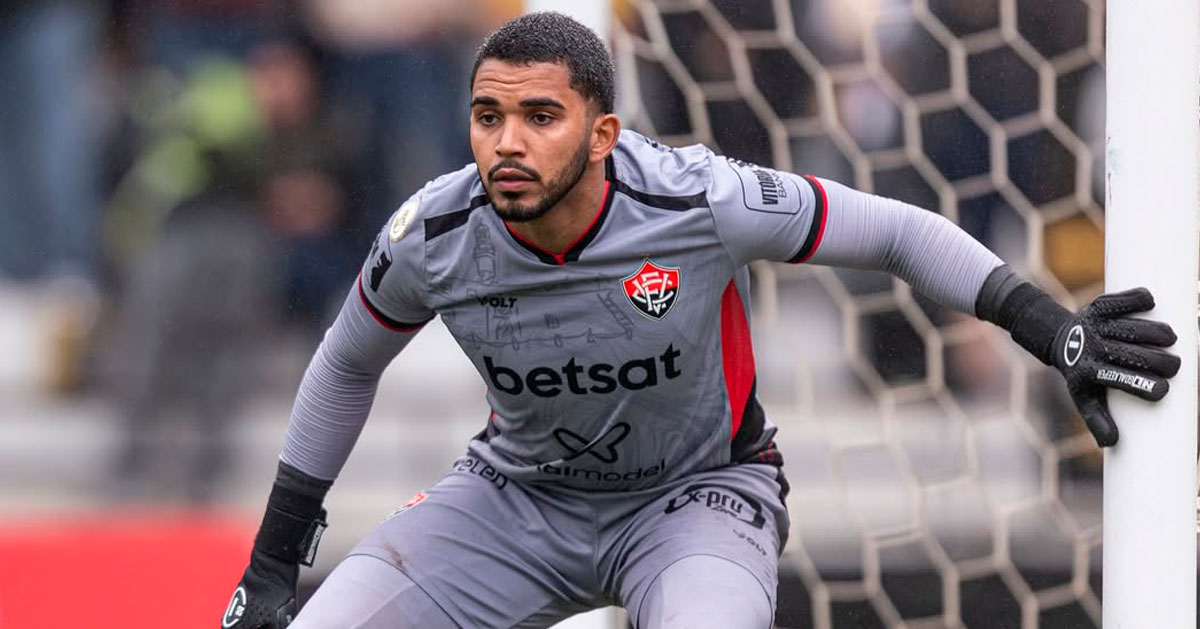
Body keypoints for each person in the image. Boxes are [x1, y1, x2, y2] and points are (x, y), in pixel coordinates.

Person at [222, 12, 1181, 629]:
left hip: (695, 498)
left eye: (540, 116)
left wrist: (1051, 329)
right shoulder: (432, 233)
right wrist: (271, 564)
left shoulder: (698, 200)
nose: (507, 143)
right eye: (487, 116)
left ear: (604, 133)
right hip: (517, 498)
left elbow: (895, 231)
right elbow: (345, 363)